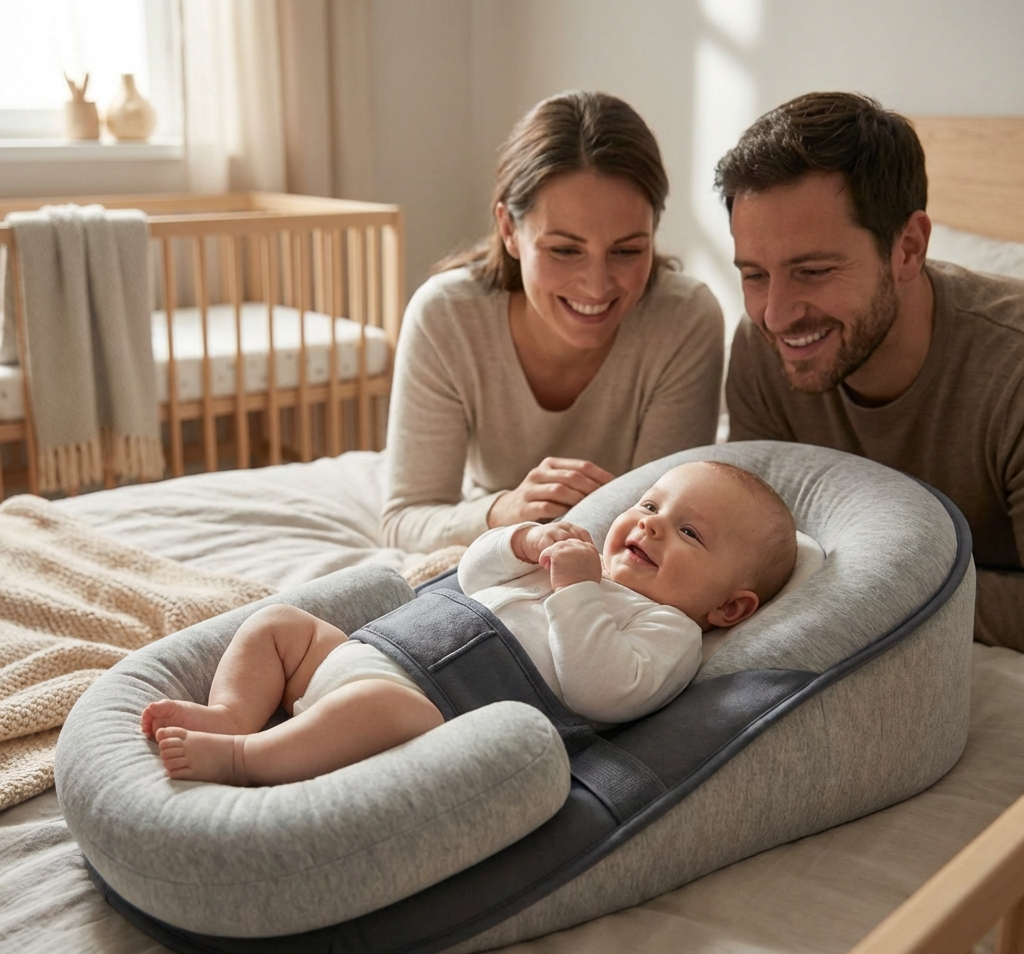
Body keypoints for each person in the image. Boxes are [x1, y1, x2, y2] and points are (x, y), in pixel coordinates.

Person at [143, 462, 796, 786]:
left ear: (729, 609)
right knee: (282, 623)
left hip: (426, 712)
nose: (651, 523)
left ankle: (244, 757)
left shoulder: (669, 631)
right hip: (369, 652)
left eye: (687, 532)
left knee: (375, 706)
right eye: (651, 504)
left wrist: (575, 590)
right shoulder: (575, 557)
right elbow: (472, 578)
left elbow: (603, 689)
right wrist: (520, 543)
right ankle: (233, 713)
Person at [716, 91, 1024, 652]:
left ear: (908, 248)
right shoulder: (762, 346)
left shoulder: (1012, 371)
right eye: (755, 274)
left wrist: (866, 592)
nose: (777, 314)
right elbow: (748, 557)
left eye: (812, 270)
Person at [380, 91, 724, 553]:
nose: (597, 286)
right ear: (508, 230)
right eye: (564, 249)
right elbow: (405, 519)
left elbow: (662, 527)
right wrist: (506, 512)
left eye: (627, 251)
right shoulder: (447, 318)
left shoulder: (684, 320)